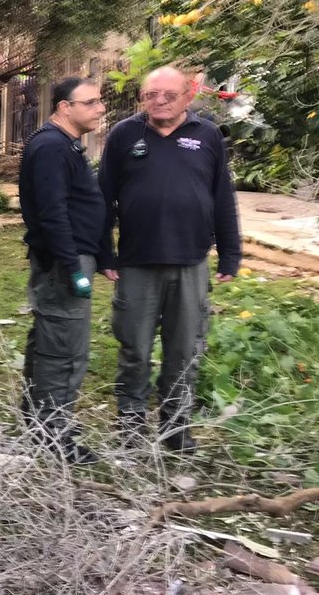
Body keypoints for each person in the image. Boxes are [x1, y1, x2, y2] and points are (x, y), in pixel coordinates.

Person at [99, 66, 241, 452]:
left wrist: (230, 253)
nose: (158, 101)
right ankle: (130, 427)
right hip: (136, 263)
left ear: (188, 97)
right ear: (141, 98)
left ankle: (176, 429)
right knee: (134, 349)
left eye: (168, 95)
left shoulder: (207, 135)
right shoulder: (124, 135)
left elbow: (222, 197)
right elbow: (103, 198)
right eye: (150, 95)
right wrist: (103, 251)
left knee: (185, 351)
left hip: (190, 261)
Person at [17, 77, 107, 464]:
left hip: (65, 260)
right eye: (90, 102)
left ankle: (38, 423)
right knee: (63, 351)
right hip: (61, 264)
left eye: (100, 101)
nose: (100, 108)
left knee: (49, 341)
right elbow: (52, 213)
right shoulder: (52, 146)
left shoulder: (63, 144)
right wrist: (73, 267)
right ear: (63, 108)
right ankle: (53, 436)